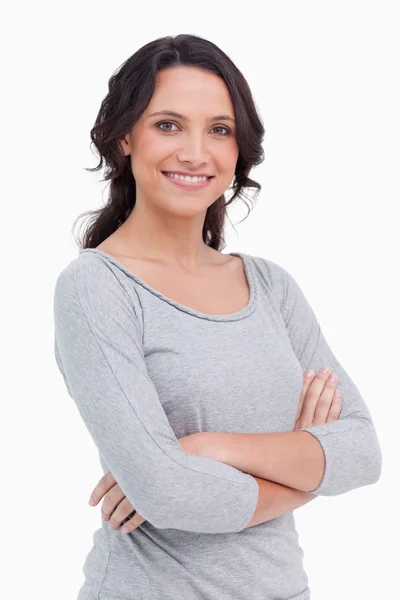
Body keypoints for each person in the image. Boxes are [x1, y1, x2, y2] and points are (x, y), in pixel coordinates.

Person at [53, 34, 382, 600]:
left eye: (220, 129)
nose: (195, 152)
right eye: (168, 124)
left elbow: (361, 452)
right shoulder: (96, 288)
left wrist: (208, 447)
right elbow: (171, 494)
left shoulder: (271, 286)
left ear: (238, 150)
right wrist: (306, 475)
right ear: (125, 136)